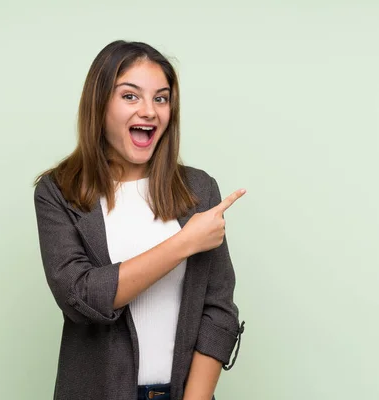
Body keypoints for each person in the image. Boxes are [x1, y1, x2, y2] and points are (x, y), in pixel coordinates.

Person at [33, 40, 245, 400]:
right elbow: (79, 295)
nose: (149, 111)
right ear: (99, 105)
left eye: (161, 98)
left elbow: (218, 308)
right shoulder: (59, 192)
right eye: (130, 96)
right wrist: (183, 243)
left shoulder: (199, 189)